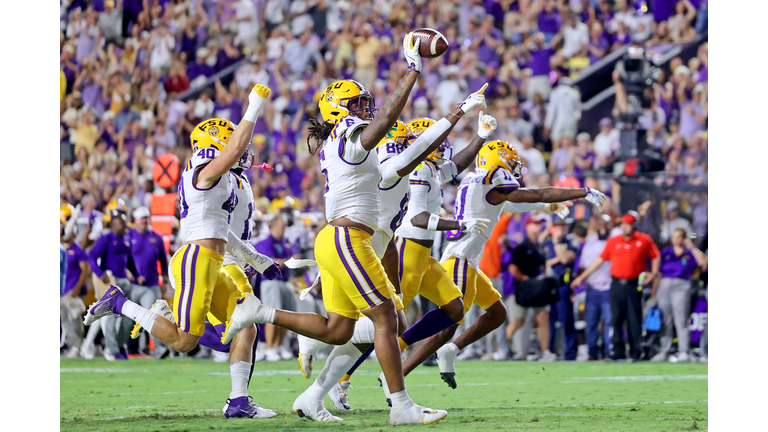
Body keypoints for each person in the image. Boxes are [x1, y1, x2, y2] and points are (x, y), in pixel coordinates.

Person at [222, 33, 449, 426]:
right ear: (338, 111)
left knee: (339, 329)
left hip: (341, 239)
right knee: (387, 319)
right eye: (357, 103)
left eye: (365, 102)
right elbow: (387, 122)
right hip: (348, 238)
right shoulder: (346, 135)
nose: (365, 107)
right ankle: (401, 406)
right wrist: (412, 71)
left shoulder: (341, 139)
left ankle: (261, 311)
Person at [84, 84, 283, 418]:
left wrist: (258, 259)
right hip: (197, 261)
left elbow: (222, 230)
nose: (242, 148)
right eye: (232, 140)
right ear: (215, 146)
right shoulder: (201, 173)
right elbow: (232, 153)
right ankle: (120, 302)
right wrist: (254, 106)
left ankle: (238, 402)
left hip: (213, 260)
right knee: (185, 340)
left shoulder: (221, 181)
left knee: (245, 325)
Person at [311, 108, 497, 412]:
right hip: (408, 250)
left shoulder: (429, 167)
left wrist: (481, 137)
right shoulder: (417, 168)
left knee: (453, 309)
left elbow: (454, 166)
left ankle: (396, 351)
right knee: (384, 323)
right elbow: (419, 216)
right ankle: (341, 378)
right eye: (437, 142)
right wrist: (459, 224)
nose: (444, 147)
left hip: (424, 256)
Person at [404, 140, 606, 388]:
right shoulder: (490, 183)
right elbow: (536, 193)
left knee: (497, 313)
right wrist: (582, 192)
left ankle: (450, 351)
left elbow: (511, 202)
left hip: (467, 260)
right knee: (448, 323)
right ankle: (399, 370)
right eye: (510, 162)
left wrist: (546, 205)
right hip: (460, 259)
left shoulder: (477, 182)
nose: (514, 167)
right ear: (497, 162)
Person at [571, 213, 660, 361]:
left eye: (627, 224)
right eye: (622, 224)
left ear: (633, 226)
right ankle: (617, 351)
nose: (624, 227)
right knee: (616, 319)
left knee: (634, 319)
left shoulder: (643, 240)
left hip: (633, 284)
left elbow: (655, 255)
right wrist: (582, 277)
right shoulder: (613, 242)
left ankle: (635, 351)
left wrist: (653, 273)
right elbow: (599, 261)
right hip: (616, 284)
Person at [87, 207, 138, 361]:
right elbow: (91, 256)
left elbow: (129, 262)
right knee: (110, 316)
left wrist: (136, 275)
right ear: (114, 225)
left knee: (127, 316)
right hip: (110, 280)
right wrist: (99, 274)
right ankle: (112, 349)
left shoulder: (126, 240)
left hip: (124, 280)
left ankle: (121, 345)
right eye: (122, 224)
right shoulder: (106, 238)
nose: (125, 226)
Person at [651, 228, 707, 362]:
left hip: (681, 285)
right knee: (665, 319)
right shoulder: (666, 252)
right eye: (674, 237)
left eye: (679, 237)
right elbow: (658, 273)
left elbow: (703, 263)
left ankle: (683, 350)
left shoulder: (689, 253)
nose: (676, 240)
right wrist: (654, 293)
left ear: (684, 238)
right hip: (665, 285)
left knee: (681, 320)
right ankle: (664, 350)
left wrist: (691, 246)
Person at [505, 214, 556, 361]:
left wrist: (543, 276)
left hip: (538, 288)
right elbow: (513, 268)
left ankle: (545, 352)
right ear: (527, 226)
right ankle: (505, 346)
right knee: (518, 321)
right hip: (524, 289)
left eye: (539, 224)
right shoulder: (523, 246)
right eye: (535, 224)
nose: (537, 227)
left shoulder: (540, 245)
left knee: (543, 317)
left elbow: (542, 265)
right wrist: (525, 279)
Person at [126, 207, 168, 355]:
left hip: (151, 284)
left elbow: (163, 261)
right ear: (135, 220)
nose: (144, 220)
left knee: (152, 317)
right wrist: (130, 274)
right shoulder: (128, 236)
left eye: (146, 217)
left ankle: (159, 348)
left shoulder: (156, 237)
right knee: (129, 319)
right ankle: (127, 348)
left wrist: (166, 280)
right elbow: (122, 259)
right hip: (131, 285)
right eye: (141, 218)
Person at [256, 216, 298, 362]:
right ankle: (269, 348)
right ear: (272, 227)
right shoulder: (264, 243)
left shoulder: (284, 243)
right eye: (281, 226)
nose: (283, 230)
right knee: (272, 315)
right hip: (270, 282)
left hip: (284, 282)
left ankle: (278, 346)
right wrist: (289, 261)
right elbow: (270, 263)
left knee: (285, 317)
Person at [543, 218, 579, 361]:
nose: (562, 228)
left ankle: (570, 352)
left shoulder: (570, 242)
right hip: (548, 286)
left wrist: (557, 243)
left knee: (566, 319)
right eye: (559, 225)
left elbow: (565, 259)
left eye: (564, 225)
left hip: (563, 284)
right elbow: (544, 262)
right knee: (549, 320)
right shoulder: (546, 242)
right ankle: (550, 351)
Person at [579, 214, 613, 360]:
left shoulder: (614, 240)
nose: (603, 227)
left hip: (609, 286)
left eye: (605, 224)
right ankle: (592, 352)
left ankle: (607, 351)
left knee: (608, 321)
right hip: (592, 287)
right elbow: (583, 264)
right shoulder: (591, 241)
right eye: (601, 224)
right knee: (591, 322)